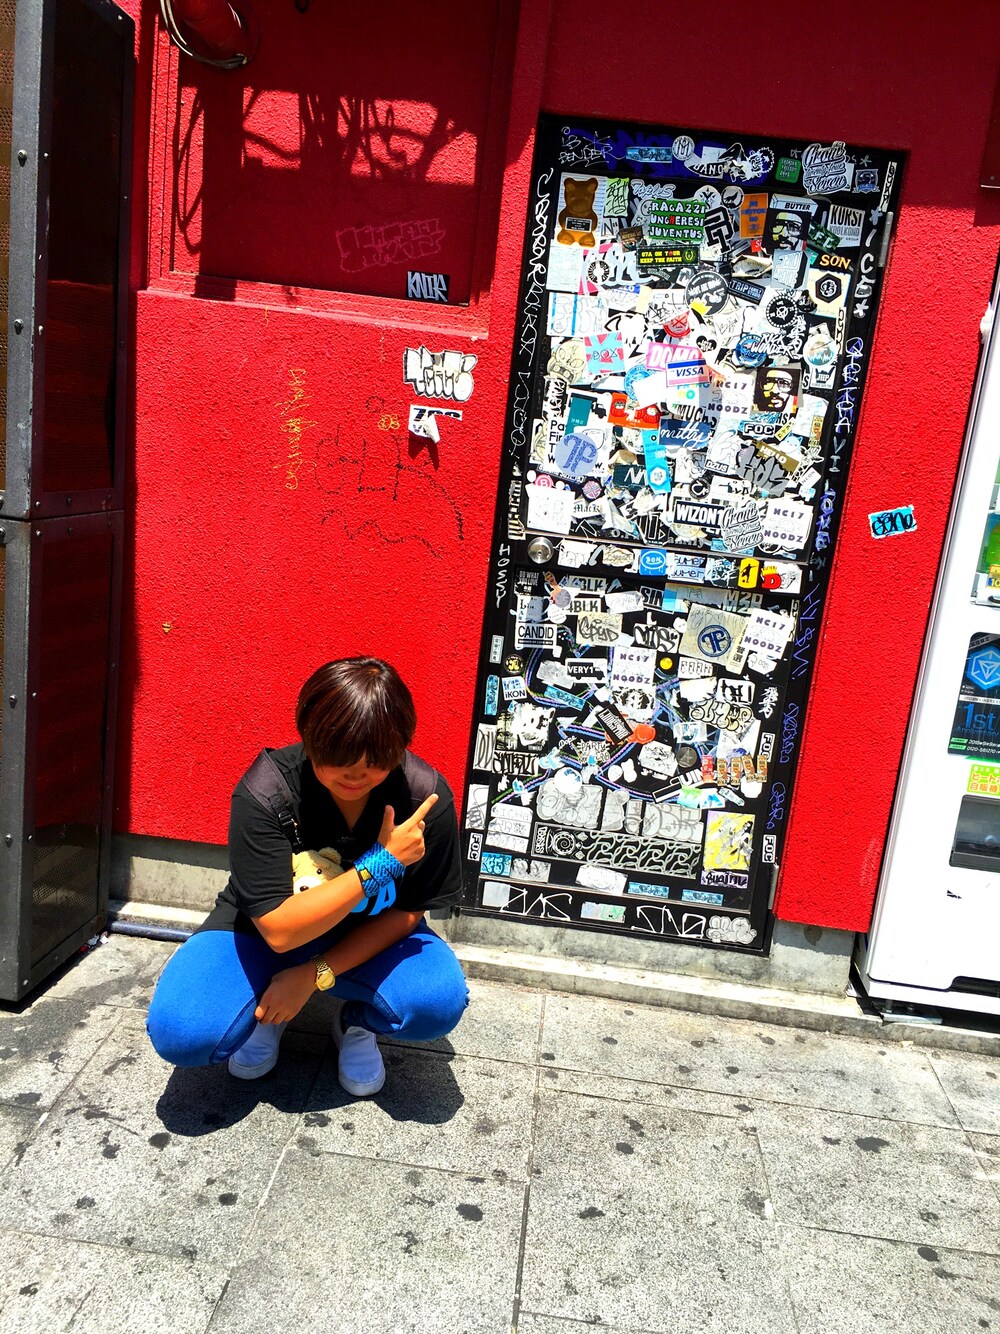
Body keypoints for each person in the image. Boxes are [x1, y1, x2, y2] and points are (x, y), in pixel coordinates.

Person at [146, 657, 468, 1094]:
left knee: (437, 1002)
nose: (357, 772)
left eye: (377, 759)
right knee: (182, 1032)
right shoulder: (267, 791)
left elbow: (410, 911)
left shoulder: (423, 796)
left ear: (399, 745)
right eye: (339, 756)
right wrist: (383, 863)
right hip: (262, 932)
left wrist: (314, 974)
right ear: (310, 734)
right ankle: (266, 1011)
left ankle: (355, 1021)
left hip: (369, 934)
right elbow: (278, 930)